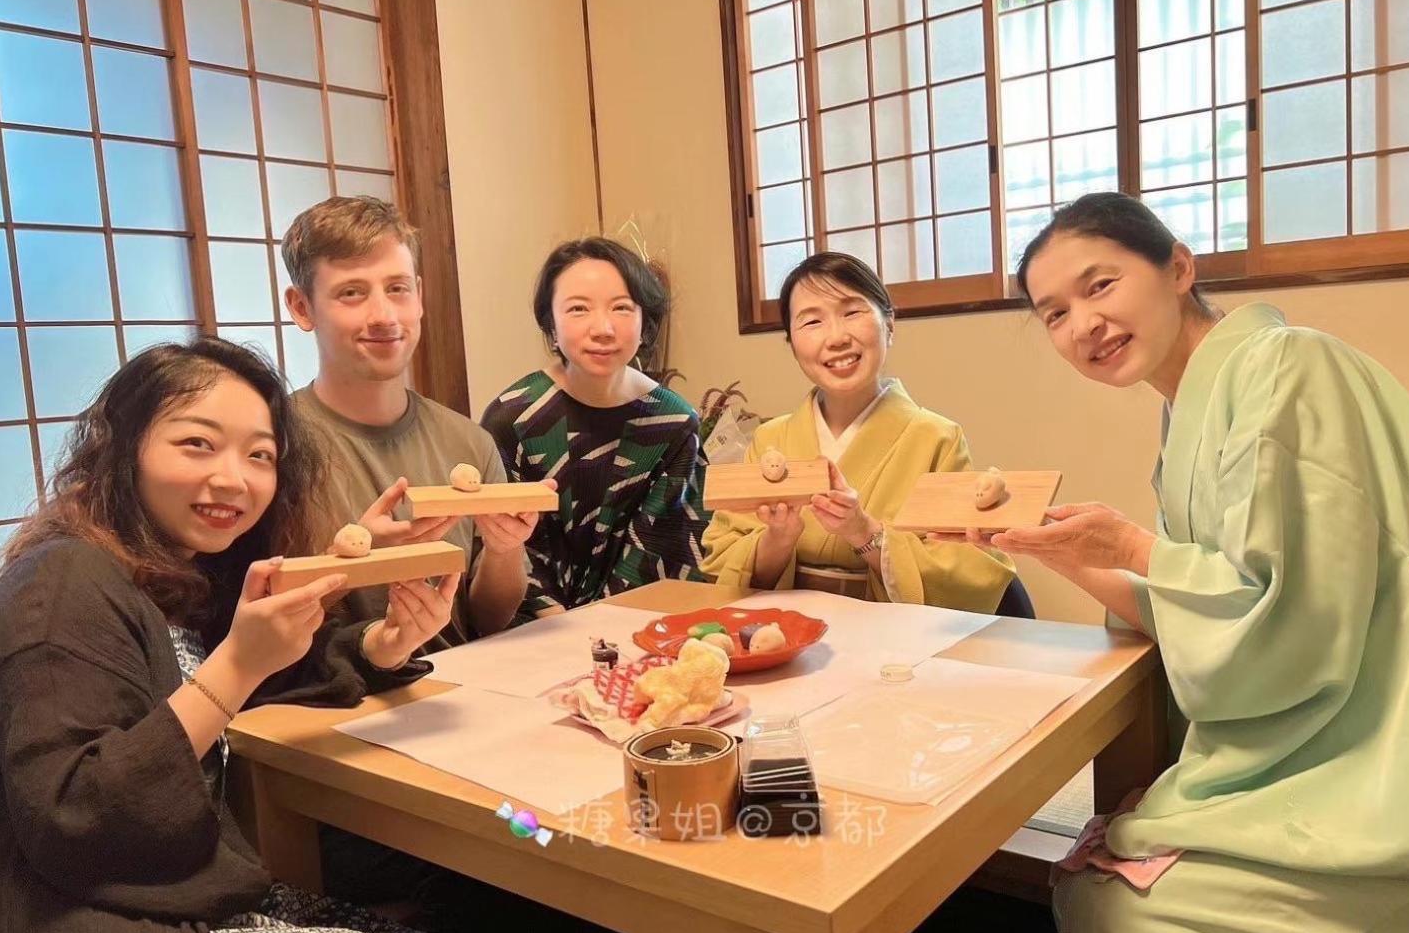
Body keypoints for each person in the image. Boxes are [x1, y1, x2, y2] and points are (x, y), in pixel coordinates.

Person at [0, 338, 641, 933]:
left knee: (526, 930)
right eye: (196, 444)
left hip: (184, 898)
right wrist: (239, 662)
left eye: (259, 455)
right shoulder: (60, 585)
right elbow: (74, 812)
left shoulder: (168, 575)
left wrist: (385, 637)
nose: (233, 478)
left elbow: (248, 687)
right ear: (123, 447)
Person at [994, 192, 1409, 933]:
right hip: (1310, 732)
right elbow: (1201, 603)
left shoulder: (1285, 365)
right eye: (1053, 313)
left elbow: (1294, 619)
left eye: (1099, 285)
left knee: (1115, 911)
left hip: (1377, 747)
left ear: (1178, 267)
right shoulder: (1192, 407)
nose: (1081, 324)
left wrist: (1129, 547)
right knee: (1090, 887)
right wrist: (1071, 555)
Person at [282, 195, 543, 648]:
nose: (383, 316)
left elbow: (487, 620)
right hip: (331, 702)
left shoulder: (469, 442)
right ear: (302, 307)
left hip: (460, 692)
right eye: (352, 292)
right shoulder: (272, 447)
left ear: (419, 296)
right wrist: (357, 563)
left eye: (398, 289)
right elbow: (256, 626)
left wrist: (504, 549)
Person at [700, 252, 1014, 610]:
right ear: (791, 341)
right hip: (784, 634)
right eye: (811, 322)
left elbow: (969, 573)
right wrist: (779, 538)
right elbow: (721, 559)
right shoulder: (770, 440)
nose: (836, 338)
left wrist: (862, 531)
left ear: (889, 324)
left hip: (891, 644)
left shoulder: (936, 437)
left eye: (852, 312)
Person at [480, 238, 707, 620]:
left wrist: (606, 638)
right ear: (550, 324)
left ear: (644, 323)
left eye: (621, 308)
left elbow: (670, 551)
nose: (602, 328)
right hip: (532, 641)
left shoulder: (673, 423)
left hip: (640, 629)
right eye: (578, 309)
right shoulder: (514, 418)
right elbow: (506, 560)